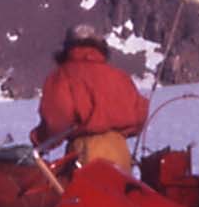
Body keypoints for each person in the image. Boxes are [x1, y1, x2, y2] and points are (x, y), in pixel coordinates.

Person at [31, 24, 148, 174]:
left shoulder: (63, 75)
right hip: (120, 152)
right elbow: (139, 114)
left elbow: (57, 121)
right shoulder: (120, 76)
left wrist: (39, 140)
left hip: (85, 153)